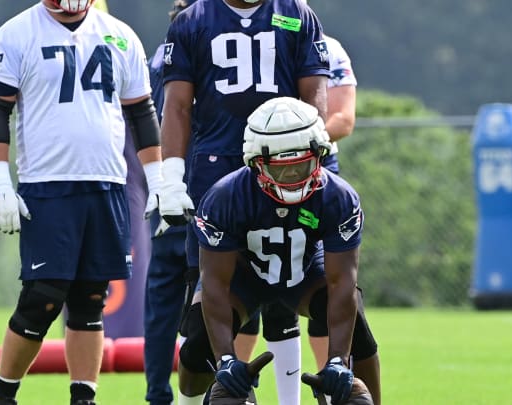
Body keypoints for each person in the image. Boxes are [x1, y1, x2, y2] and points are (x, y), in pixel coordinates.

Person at [0, 1, 171, 404]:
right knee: (41, 298)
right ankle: (3, 398)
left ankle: (84, 398)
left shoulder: (119, 35)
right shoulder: (16, 33)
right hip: (48, 185)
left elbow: (141, 112)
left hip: (106, 184)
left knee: (90, 300)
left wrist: (158, 178)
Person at [155, 1, 333, 404]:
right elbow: (178, 105)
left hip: (285, 169)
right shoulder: (193, 21)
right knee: (203, 312)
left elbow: (314, 97)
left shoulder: (296, 13)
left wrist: (308, 157)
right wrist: (171, 175)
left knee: (296, 291)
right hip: (215, 171)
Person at [184, 97, 381, 405]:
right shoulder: (225, 197)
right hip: (244, 276)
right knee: (197, 343)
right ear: (256, 164)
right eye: (282, 170)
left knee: (359, 332)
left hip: (304, 272)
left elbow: (342, 283)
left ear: (320, 155)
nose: (294, 179)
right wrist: (225, 360)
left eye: (301, 165)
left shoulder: (338, 197)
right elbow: (215, 285)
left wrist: (338, 362)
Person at [235, 22, 360, 372]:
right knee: (246, 280)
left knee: (324, 284)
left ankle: (333, 379)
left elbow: (344, 118)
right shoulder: (254, 44)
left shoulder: (328, 47)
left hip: (316, 173)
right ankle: (231, 387)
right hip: (262, 171)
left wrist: (293, 145)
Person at [142, 1, 194, 404]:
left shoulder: (158, 57)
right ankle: (225, 390)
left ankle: (158, 395)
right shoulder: (198, 48)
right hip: (202, 189)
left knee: (162, 304)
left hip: (164, 188)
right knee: (226, 298)